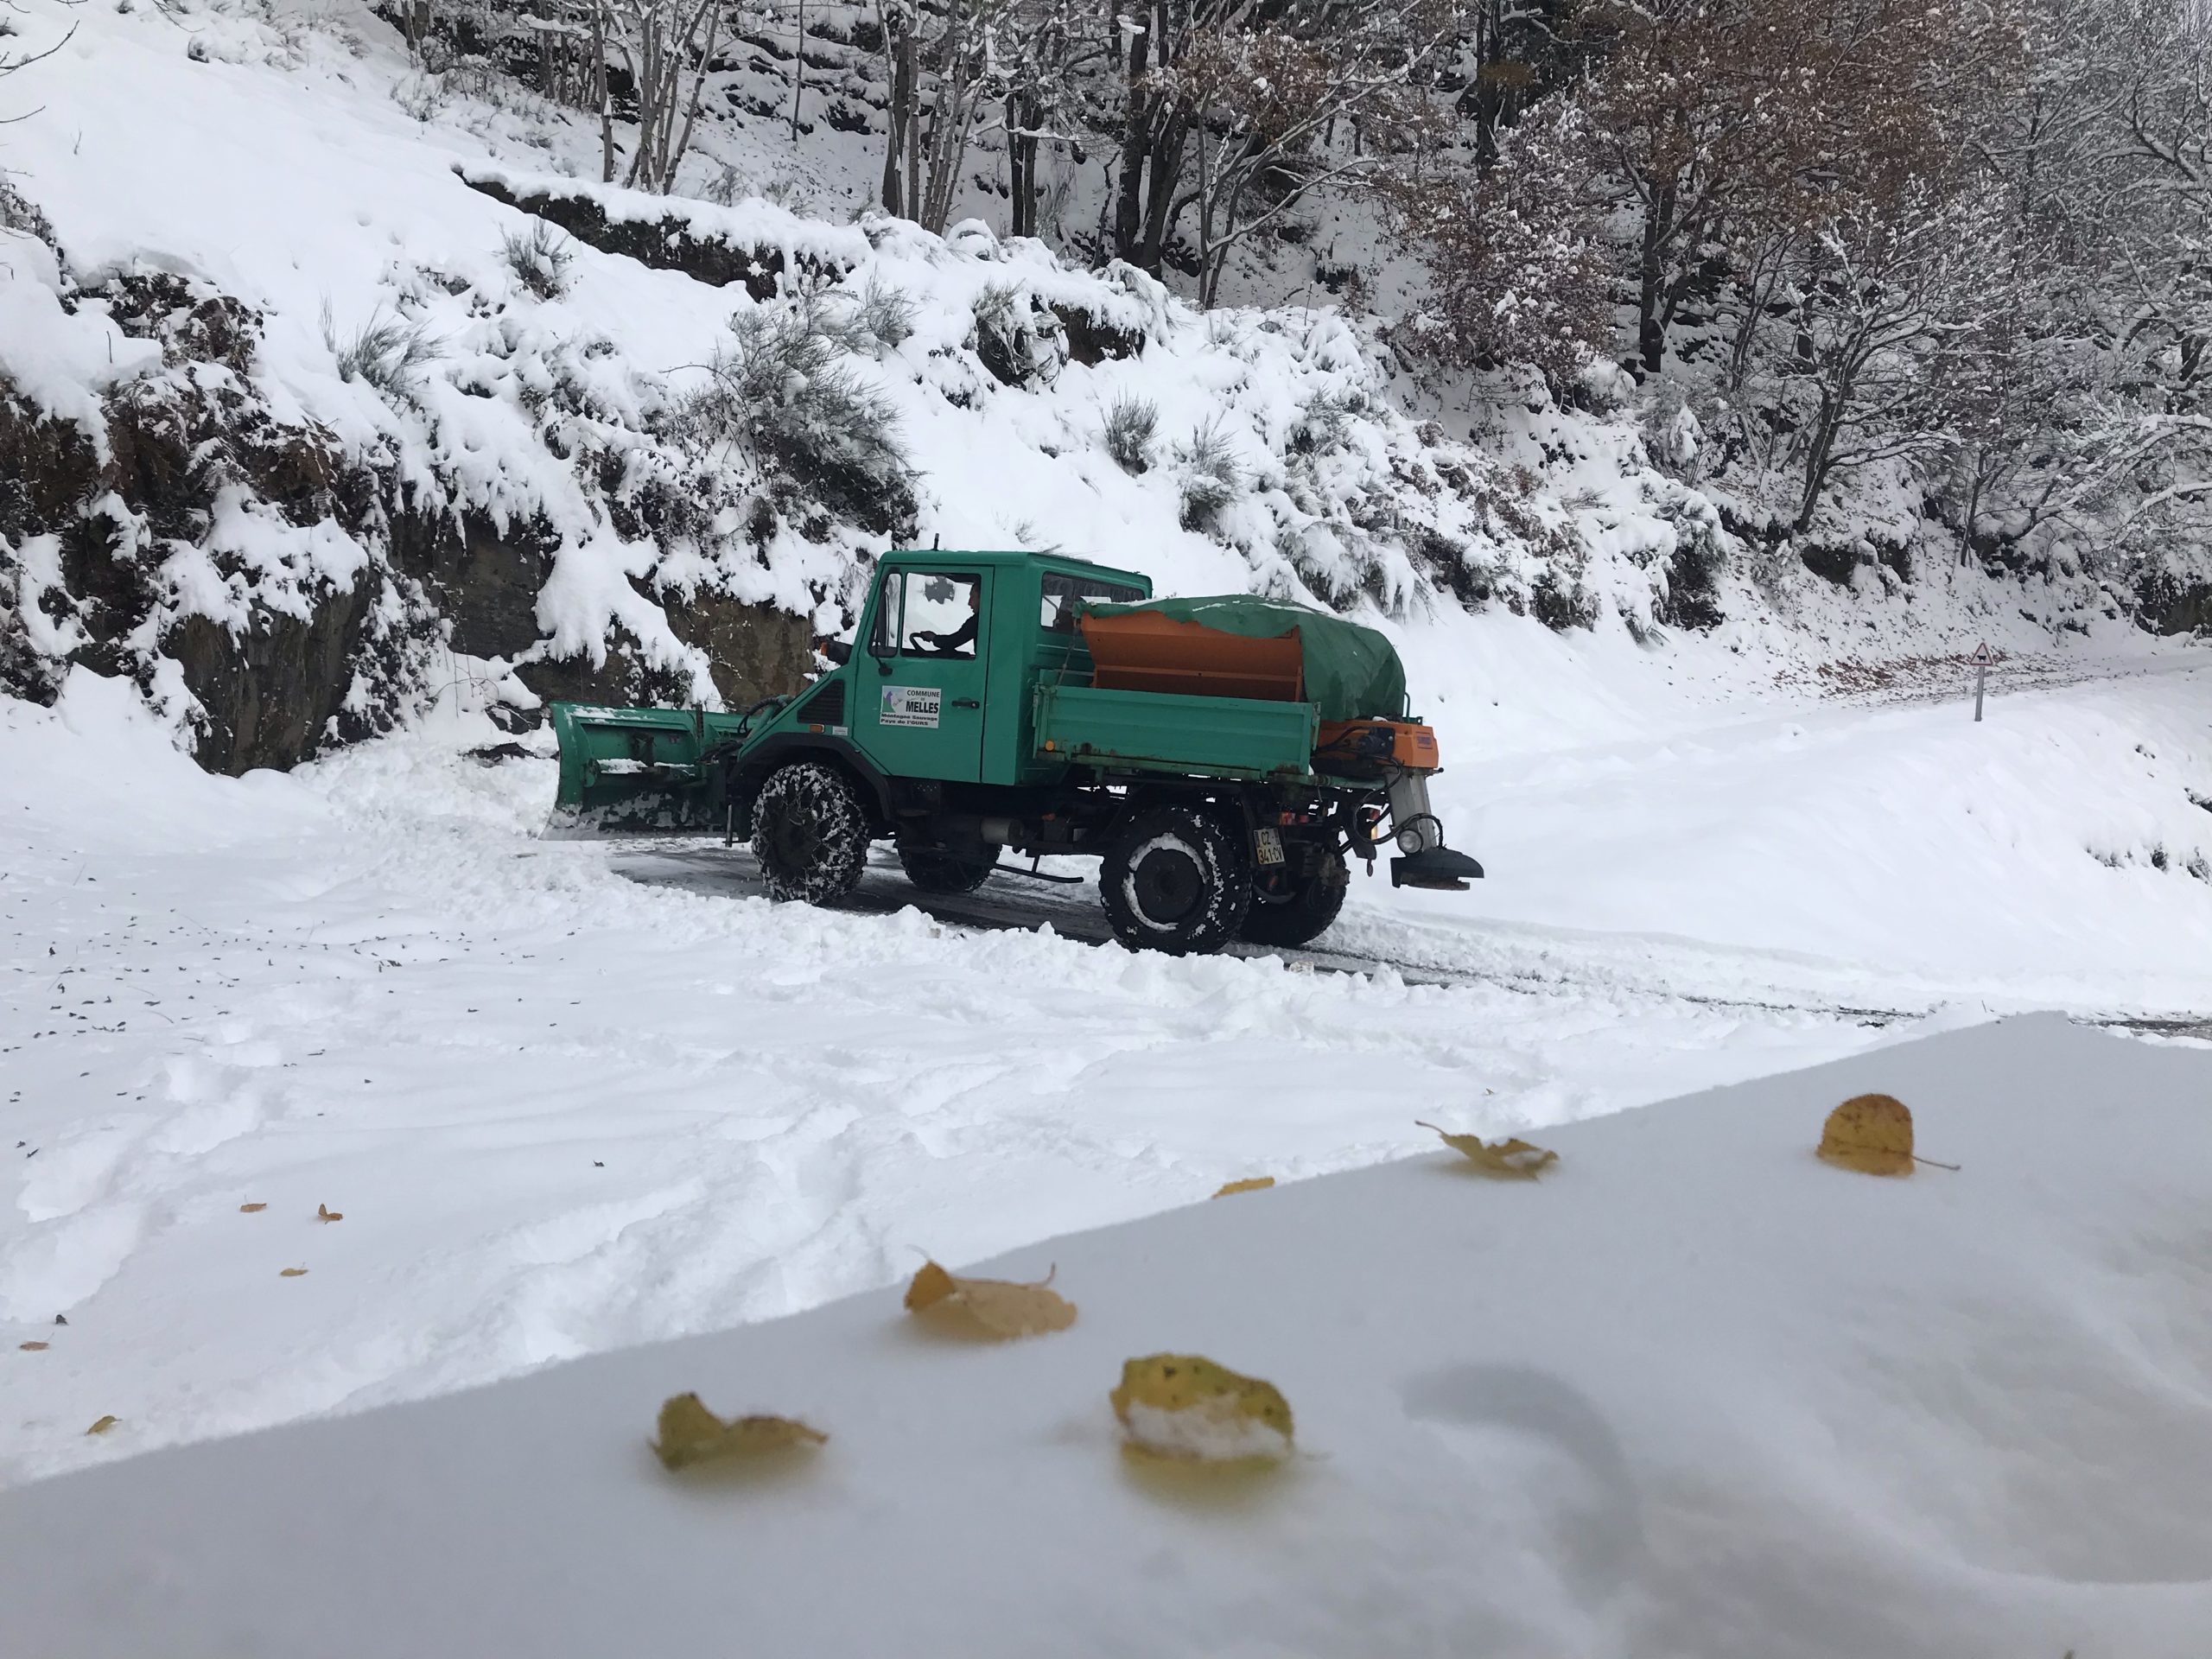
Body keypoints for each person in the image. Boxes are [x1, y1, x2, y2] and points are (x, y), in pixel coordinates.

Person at [912, 583, 980, 656]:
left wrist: (933, 638)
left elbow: (954, 641)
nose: (969, 603)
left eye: (973, 597)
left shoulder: (979, 622)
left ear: (982, 598)